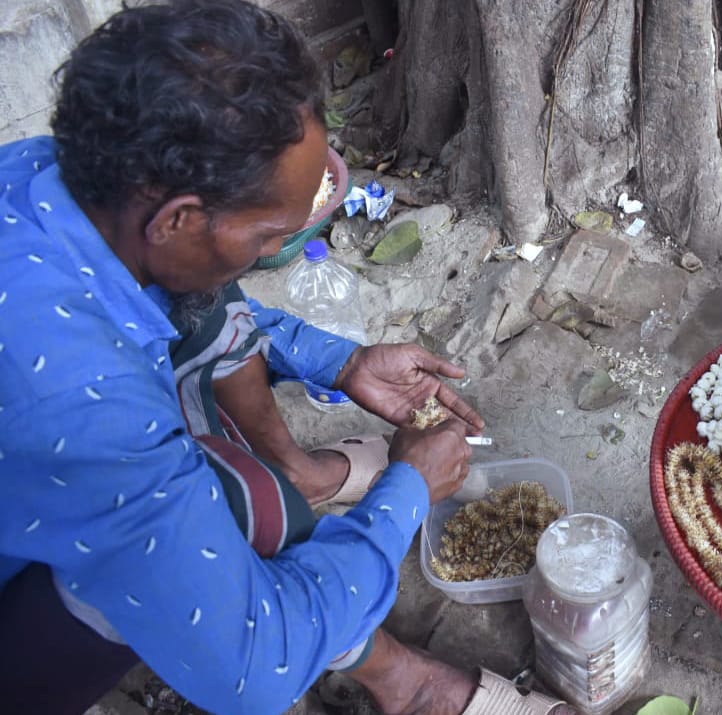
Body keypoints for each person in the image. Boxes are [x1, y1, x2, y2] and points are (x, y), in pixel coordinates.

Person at [0, 2, 573, 714]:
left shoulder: (41, 177)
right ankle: (410, 683)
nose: (274, 251)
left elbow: (170, 298)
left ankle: (304, 486)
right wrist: (406, 494)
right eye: (269, 232)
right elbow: (254, 666)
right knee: (235, 510)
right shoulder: (89, 410)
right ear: (176, 216)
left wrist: (340, 362)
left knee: (206, 309)